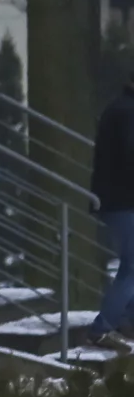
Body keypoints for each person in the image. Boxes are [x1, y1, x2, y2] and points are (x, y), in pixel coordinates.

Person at [88, 78, 134, 352]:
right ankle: (103, 327)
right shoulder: (128, 112)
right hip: (122, 201)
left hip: (119, 200)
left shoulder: (122, 108)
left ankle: (124, 320)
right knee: (132, 267)